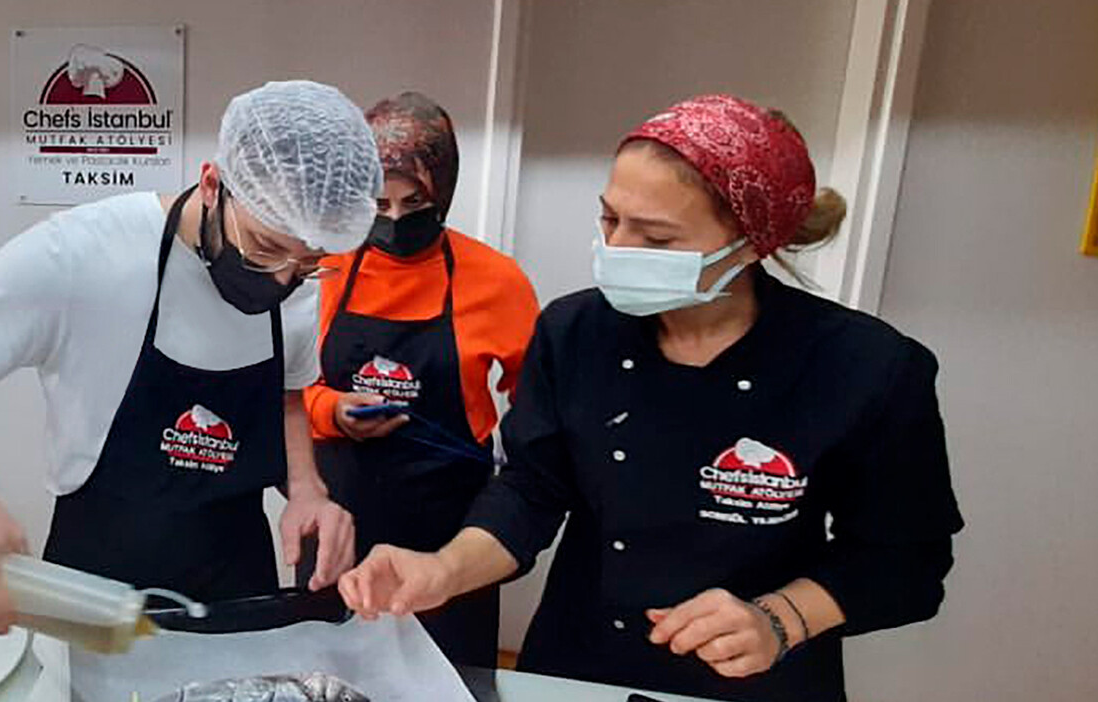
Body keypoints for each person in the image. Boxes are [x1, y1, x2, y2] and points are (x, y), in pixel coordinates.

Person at [338, 94, 963, 701]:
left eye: (658, 239)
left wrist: (781, 619)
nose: (618, 250)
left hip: (754, 678)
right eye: (610, 220)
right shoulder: (575, 333)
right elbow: (531, 491)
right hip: (579, 663)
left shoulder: (865, 368)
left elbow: (907, 562)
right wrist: (444, 570)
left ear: (751, 242)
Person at [0, 81, 382, 633]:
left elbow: (287, 395)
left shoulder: (296, 279)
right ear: (213, 184)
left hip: (238, 580)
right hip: (97, 583)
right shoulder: (85, 251)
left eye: (309, 262)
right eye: (265, 248)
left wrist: (307, 489)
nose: (282, 279)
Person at [301, 92, 538, 667]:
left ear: (444, 192)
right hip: (342, 517)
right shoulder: (322, 269)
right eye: (378, 202)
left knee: (449, 675)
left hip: (452, 530)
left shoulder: (497, 281)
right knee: (331, 670)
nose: (395, 217)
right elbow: (285, 387)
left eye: (415, 202)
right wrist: (332, 410)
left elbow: (538, 410)